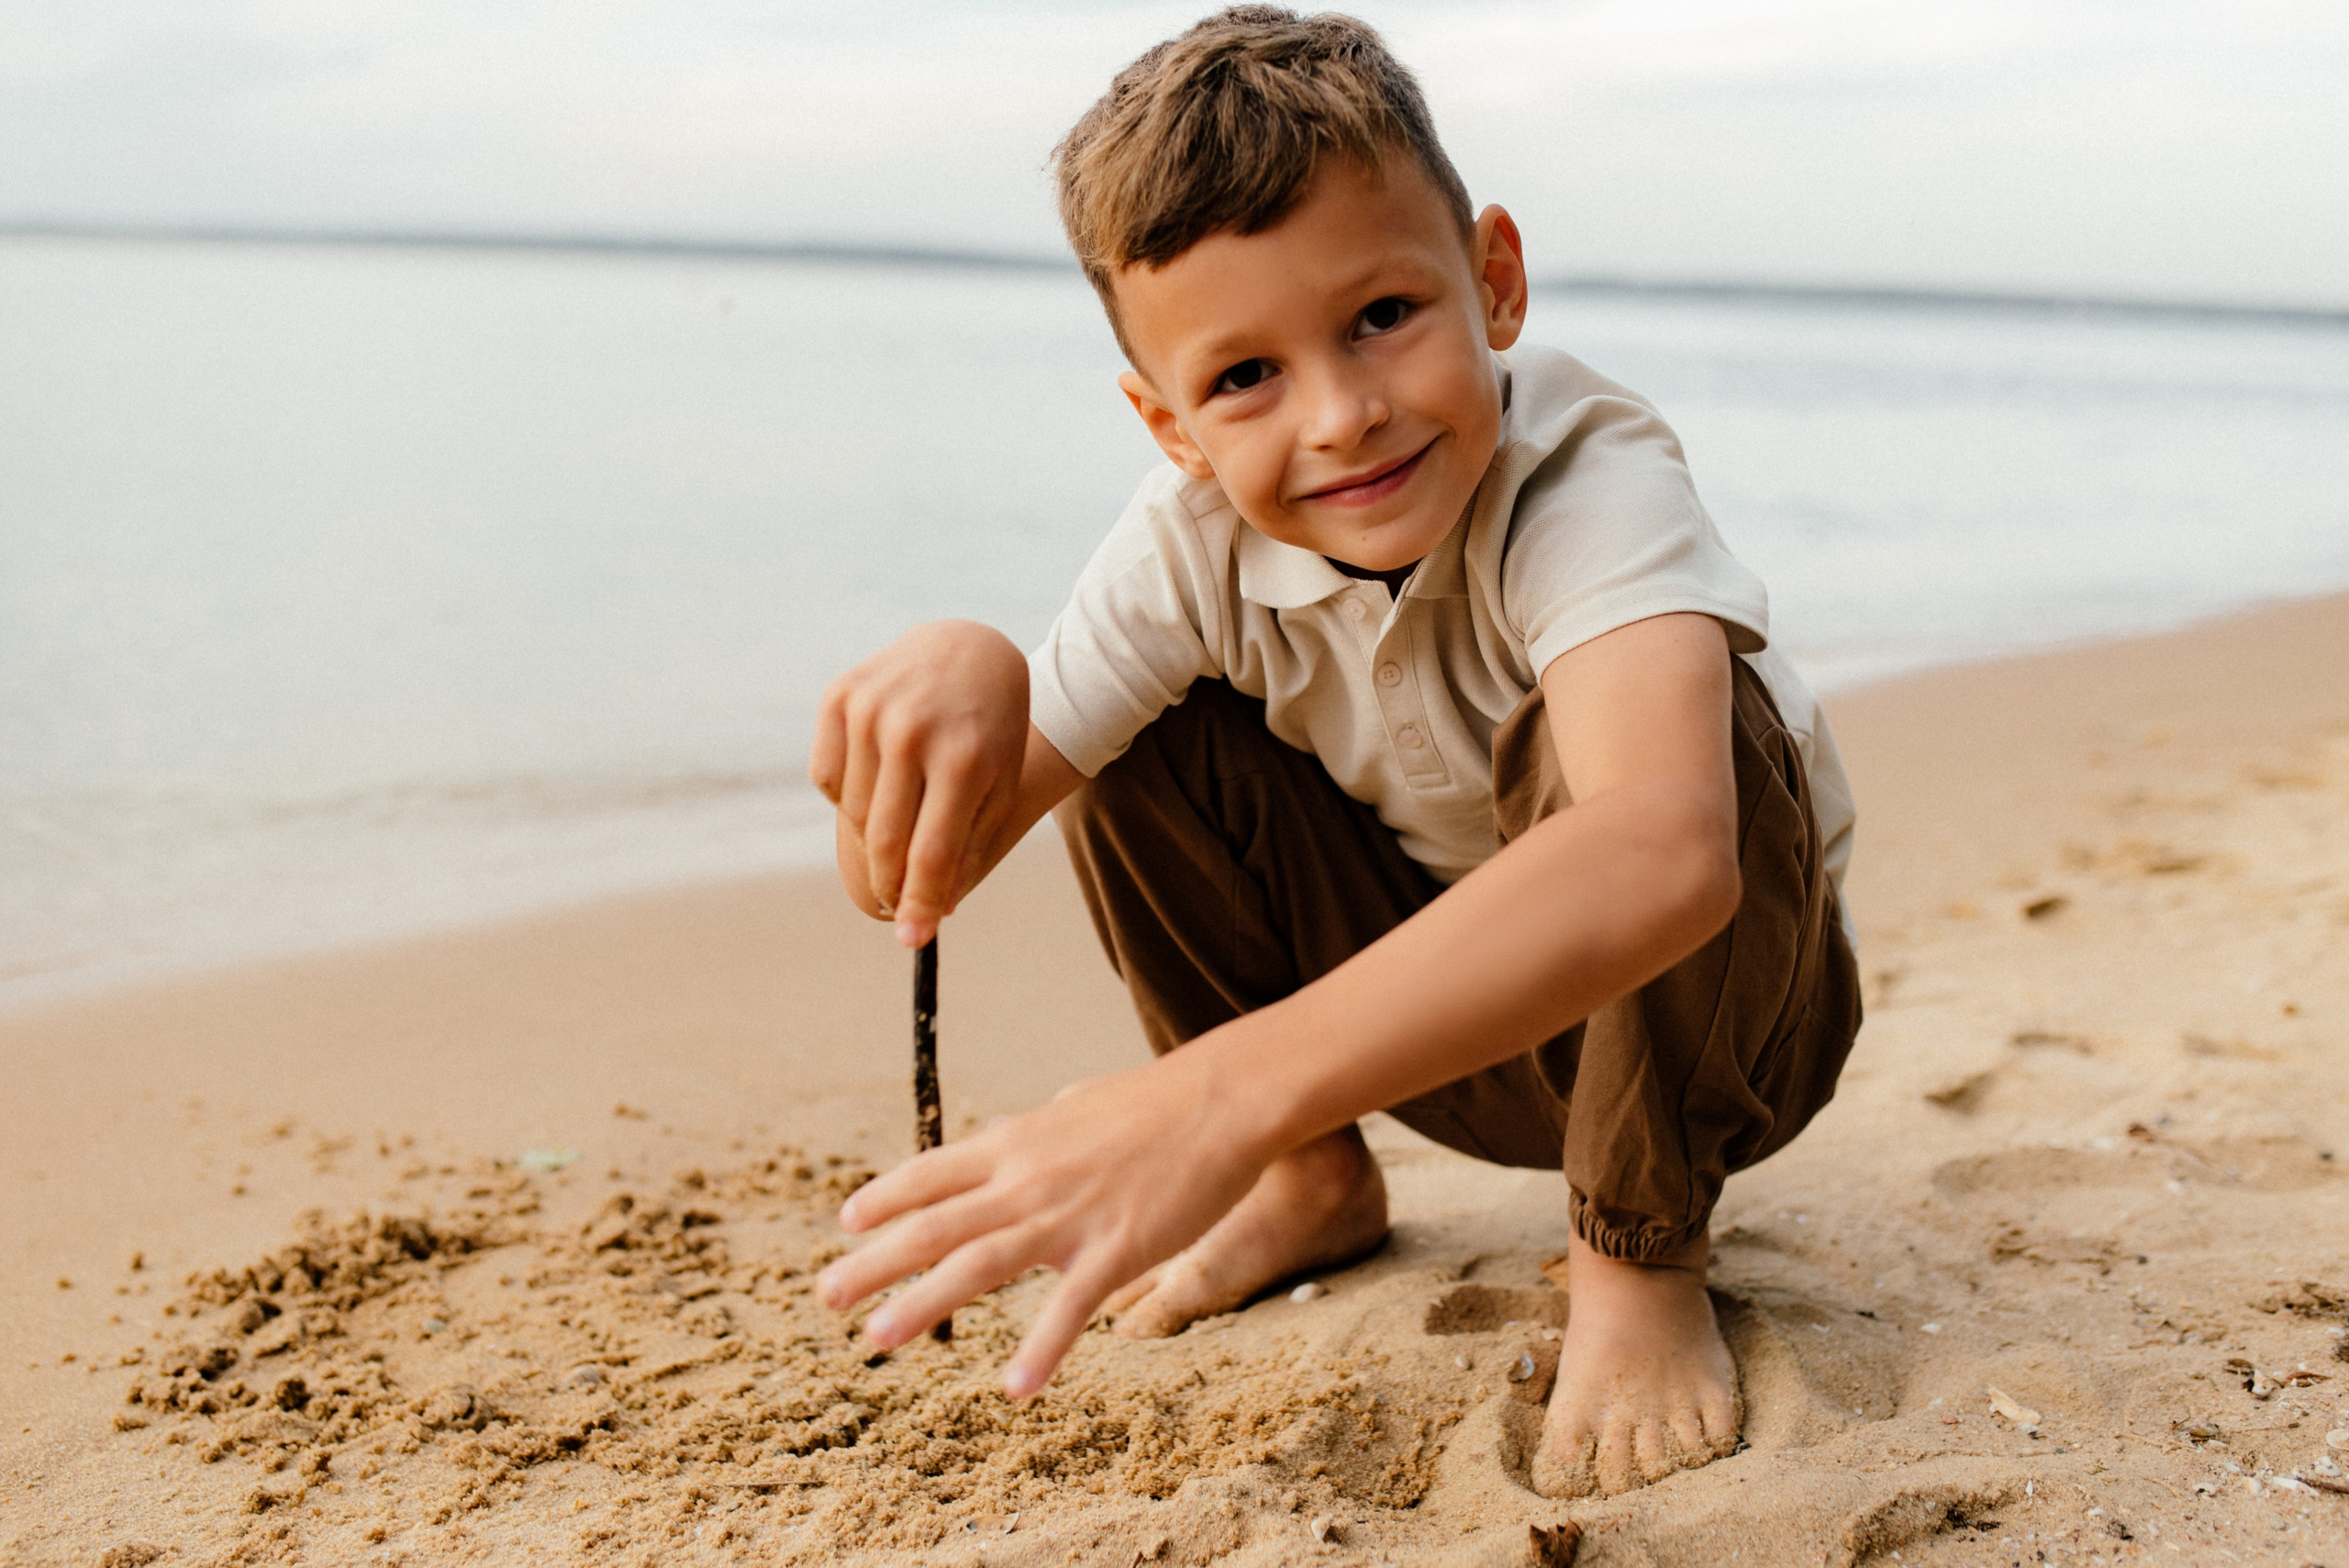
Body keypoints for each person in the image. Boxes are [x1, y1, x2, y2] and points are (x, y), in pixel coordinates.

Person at [807, 5, 1860, 1498]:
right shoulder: (1189, 546)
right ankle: (1312, 1178)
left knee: (1685, 732)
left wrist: (1209, 1098)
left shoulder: (1589, 480)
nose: (1345, 415)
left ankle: (1637, 1255)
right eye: (1245, 376)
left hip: (1726, 1035)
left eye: (1383, 315)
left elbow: (1668, 853)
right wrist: (971, 684)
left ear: (1493, 281)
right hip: (1442, 1044)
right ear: (1169, 423)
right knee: (1134, 735)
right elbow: (915, 881)